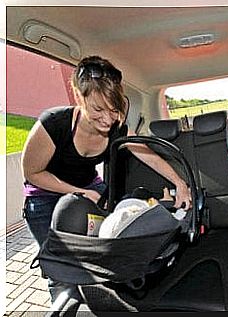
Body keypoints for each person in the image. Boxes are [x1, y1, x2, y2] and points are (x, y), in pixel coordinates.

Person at [21, 55, 192, 304]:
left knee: (102, 253)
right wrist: (77, 191)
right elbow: (32, 173)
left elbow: (146, 153)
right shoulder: (53, 124)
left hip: (90, 190)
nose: (108, 119)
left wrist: (180, 182)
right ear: (79, 97)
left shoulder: (117, 128)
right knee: (62, 269)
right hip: (44, 197)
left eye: (114, 109)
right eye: (98, 109)